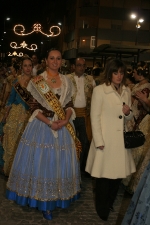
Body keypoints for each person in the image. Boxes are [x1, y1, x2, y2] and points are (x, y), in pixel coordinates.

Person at [6, 48, 81, 221]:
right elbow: (33, 107)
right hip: (42, 126)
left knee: (59, 163)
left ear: (62, 61)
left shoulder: (67, 81)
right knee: (44, 163)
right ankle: (44, 202)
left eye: (58, 59)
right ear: (46, 61)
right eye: (52, 58)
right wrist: (50, 123)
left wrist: (65, 121)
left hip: (63, 126)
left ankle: (60, 197)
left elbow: (69, 104)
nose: (55, 61)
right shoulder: (37, 81)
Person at [85, 58, 136, 221]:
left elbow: (129, 118)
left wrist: (128, 113)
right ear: (109, 73)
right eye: (115, 73)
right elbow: (94, 117)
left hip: (120, 142)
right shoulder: (100, 90)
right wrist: (99, 140)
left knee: (117, 177)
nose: (119, 76)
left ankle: (109, 203)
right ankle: (102, 208)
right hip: (105, 140)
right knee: (103, 178)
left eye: (121, 73)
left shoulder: (126, 91)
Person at [2, 56, 33, 176]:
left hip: (30, 115)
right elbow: (10, 99)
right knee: (13, 142)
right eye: (25, 66)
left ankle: (24, 171)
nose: (27, 68)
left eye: (30, 65)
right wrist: (5, 115)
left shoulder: (37, 81)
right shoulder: (16, 81)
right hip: (15, 115)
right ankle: (11, 171)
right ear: (22, 67)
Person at [122, 61, 150, 194]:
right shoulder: (138, 86)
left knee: (137, 152)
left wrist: (143, 101)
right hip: (133, 120)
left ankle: (133, 183)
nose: (132, 74)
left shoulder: (146, 87)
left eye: (135, 72)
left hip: (140, 121)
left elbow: (143, 108)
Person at [67, 57, 95, 172]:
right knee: (69, 141)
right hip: (70, 115)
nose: (82, 68)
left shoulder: (91, 79)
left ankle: (81, 168)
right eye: (79, 65)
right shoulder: (67, 79)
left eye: (84, 65)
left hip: (85, 115)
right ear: (73, 66)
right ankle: (69, 166)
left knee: (84, 141)